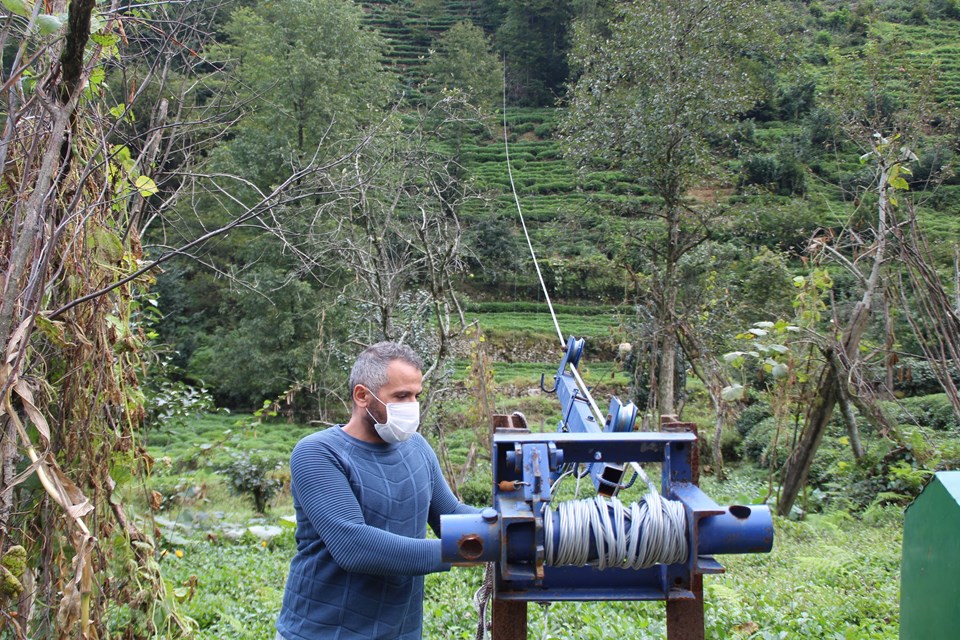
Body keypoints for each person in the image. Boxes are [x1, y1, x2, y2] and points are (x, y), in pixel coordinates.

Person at [275, 342, 480, 640]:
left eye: (415, 395)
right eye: (401, 396)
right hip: (323, 632)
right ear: (362, 395)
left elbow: (452, 516)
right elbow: (355, 547)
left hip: (401, 632)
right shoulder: (318, 454)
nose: (412, 405)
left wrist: (507, 525)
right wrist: (477, 548)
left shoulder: (417, 448)